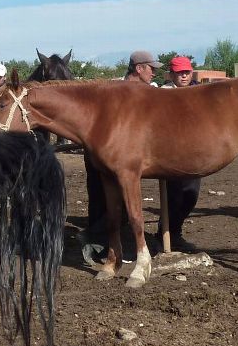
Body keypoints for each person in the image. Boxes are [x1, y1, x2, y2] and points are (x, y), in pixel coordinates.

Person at [83, 50, 163, 258]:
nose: (154, 72)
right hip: (108, 149)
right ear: (139, 68)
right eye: (151, 68)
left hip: (137, 151)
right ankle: (100, 238)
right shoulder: (113, 90)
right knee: (101, 194)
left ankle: (123, 237)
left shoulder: (153, 91)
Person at [158, 56, 202, 252]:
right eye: (179, 73)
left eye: (186, 72)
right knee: (174, 195)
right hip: (171, 153)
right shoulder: (163, 94)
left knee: (191, 195)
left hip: (194, 151)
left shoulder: (200, 92)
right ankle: (167, 233)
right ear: (172, 74)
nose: (183, 76)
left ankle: (174, 230)